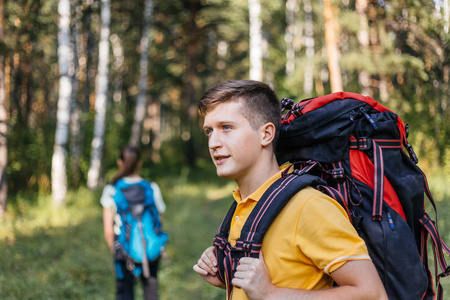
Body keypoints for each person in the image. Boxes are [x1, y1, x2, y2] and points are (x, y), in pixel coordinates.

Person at [192, 80, 388, 300]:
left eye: (226, 127)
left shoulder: (308, 206)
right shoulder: (247, 204)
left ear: (266, 134)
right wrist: (227, 276)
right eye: (209, 131)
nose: (213, 143)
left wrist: (272, 294)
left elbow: (373, 294)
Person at [100, 146, 166, 300]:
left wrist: (115, 250)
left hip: (124, 248)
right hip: (150, 248)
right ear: (139, 163)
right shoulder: (152, 188)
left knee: (125, 293)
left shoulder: (112, 190)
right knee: (151, 293)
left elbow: (108, 230)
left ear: (119, 162)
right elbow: (159, 221)